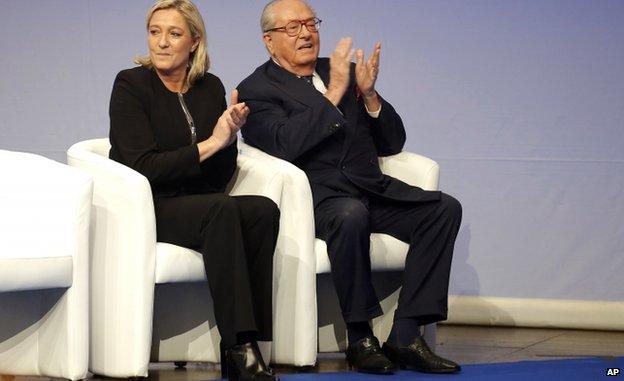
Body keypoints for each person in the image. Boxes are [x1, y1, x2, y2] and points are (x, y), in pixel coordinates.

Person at [237, 0, 462, 375]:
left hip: (371, 189)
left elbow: (392, 142)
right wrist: (333, 94)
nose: (307, 33)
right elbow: (282, 145)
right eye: (293, 27)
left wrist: (370, 96)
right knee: (349, 214)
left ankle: (405, 334)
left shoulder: (344, 71)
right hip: (319, 199)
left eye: (311, 23)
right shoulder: (256, 88)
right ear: (269, 40)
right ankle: (360, 337)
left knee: (443, 209)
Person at [108, 1, 279, 380]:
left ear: (195, 41)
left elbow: (217, 175)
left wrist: (228, 136)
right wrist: (210, 144)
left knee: (262, 210)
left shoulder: (209, 87)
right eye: (155, 32)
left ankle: (252, 344)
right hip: (148, 205)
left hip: (199, 201)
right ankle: (241, 348)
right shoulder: (130, 85)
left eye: (174, 33)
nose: (162, 43)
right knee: (220, 208)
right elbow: (143, 167)